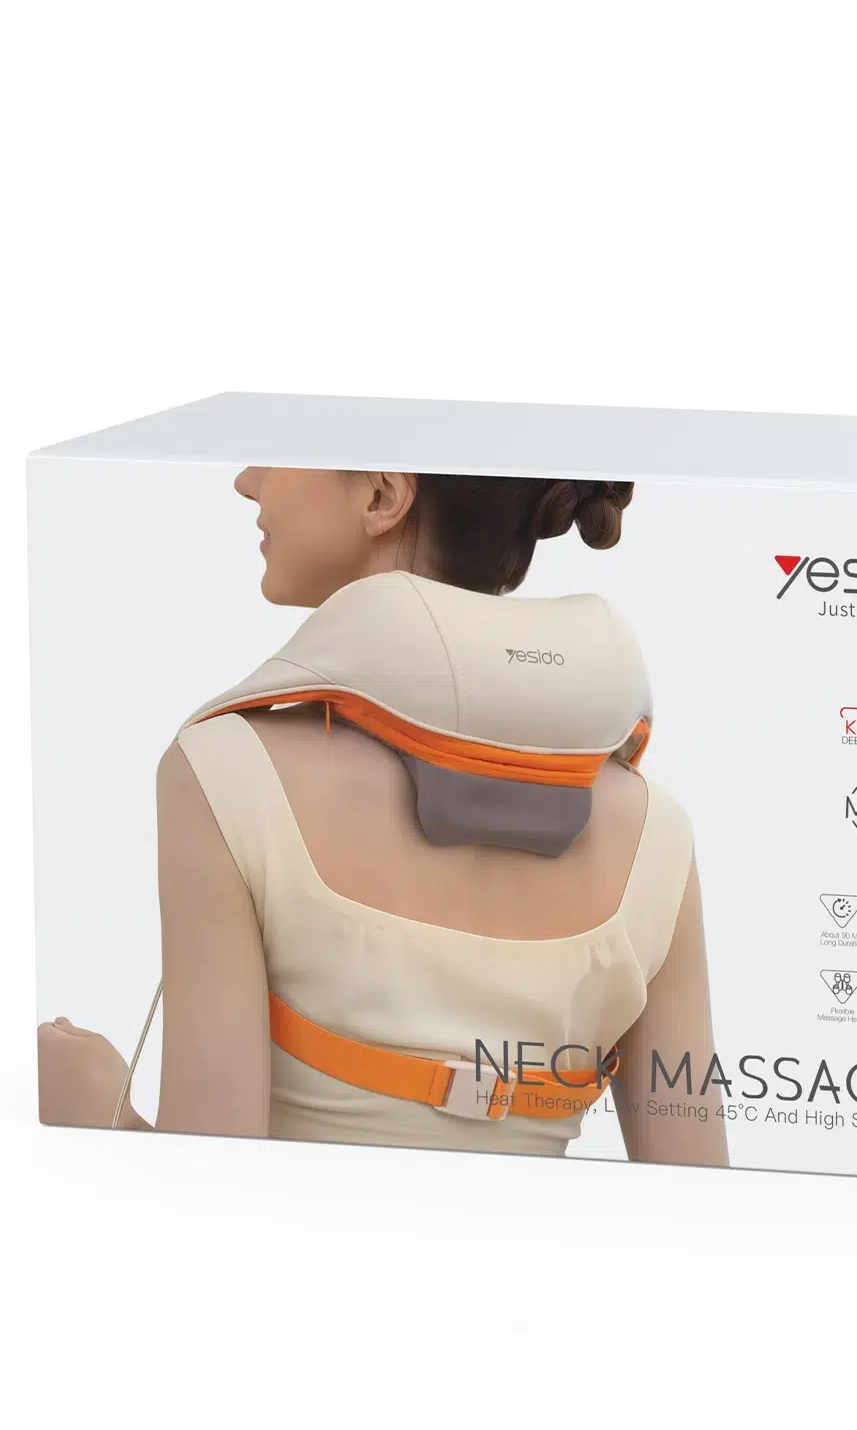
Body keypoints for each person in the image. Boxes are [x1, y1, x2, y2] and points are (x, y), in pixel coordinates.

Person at [37, 466, 728, 1168]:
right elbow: (704, 1206)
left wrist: (89, 1100)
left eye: (279, 450)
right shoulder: (655, 832)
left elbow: (207, 1200)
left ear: (380, 495)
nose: (248, 481)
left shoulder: (226, 774)